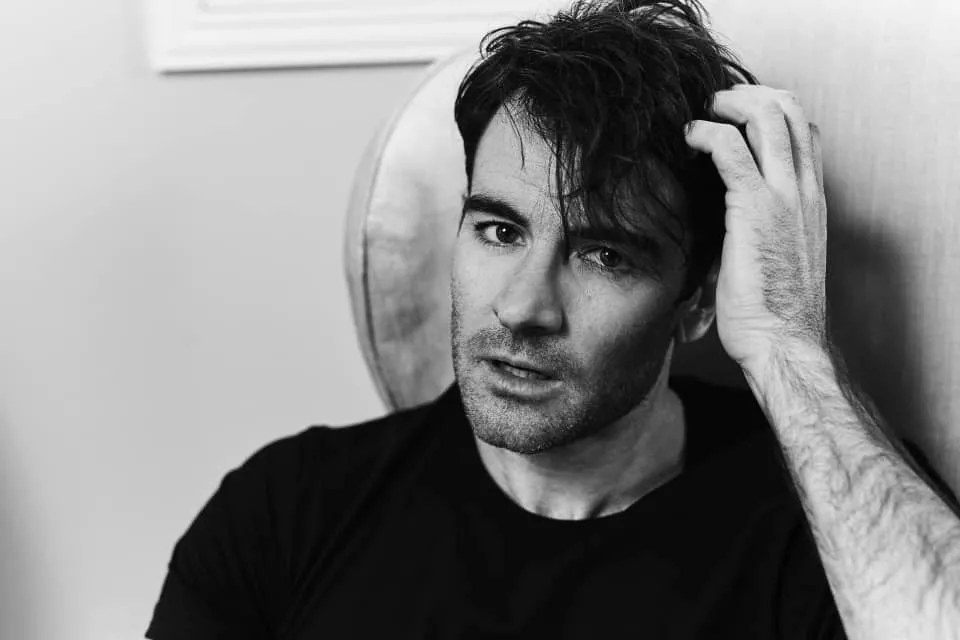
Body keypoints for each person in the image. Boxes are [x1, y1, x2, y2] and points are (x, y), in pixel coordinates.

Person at [146, 1, 960, 638]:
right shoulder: (286, 514)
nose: (522, 307)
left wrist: (788, 342)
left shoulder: (837, 525)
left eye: (604, 255)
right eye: (499, 232)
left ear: (696, 300)